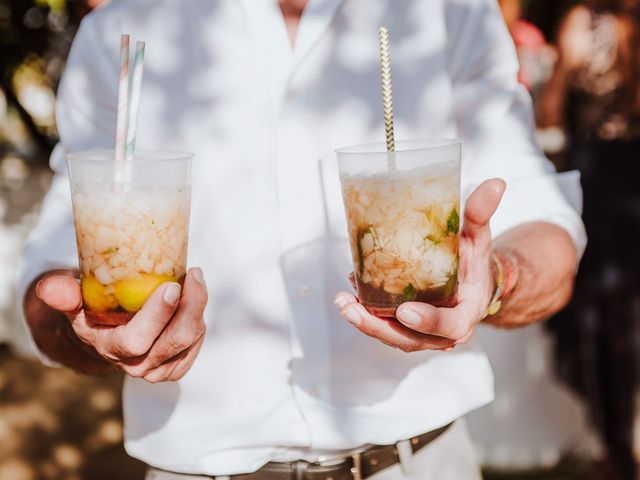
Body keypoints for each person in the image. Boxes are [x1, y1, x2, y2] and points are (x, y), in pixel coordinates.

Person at [19, 0, 586, 478]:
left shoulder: (446, 10)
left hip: (422, 463)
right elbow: (49, 278)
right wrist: (89, 330)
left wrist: (495, 282)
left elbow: (543, 223)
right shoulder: (124, 27)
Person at [539, 1, 640, 477]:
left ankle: (614, 438)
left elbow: (549, 112)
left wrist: (563, 73)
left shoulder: (585, 21)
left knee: (604, 315)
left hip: (602, 182)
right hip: (612, 186)